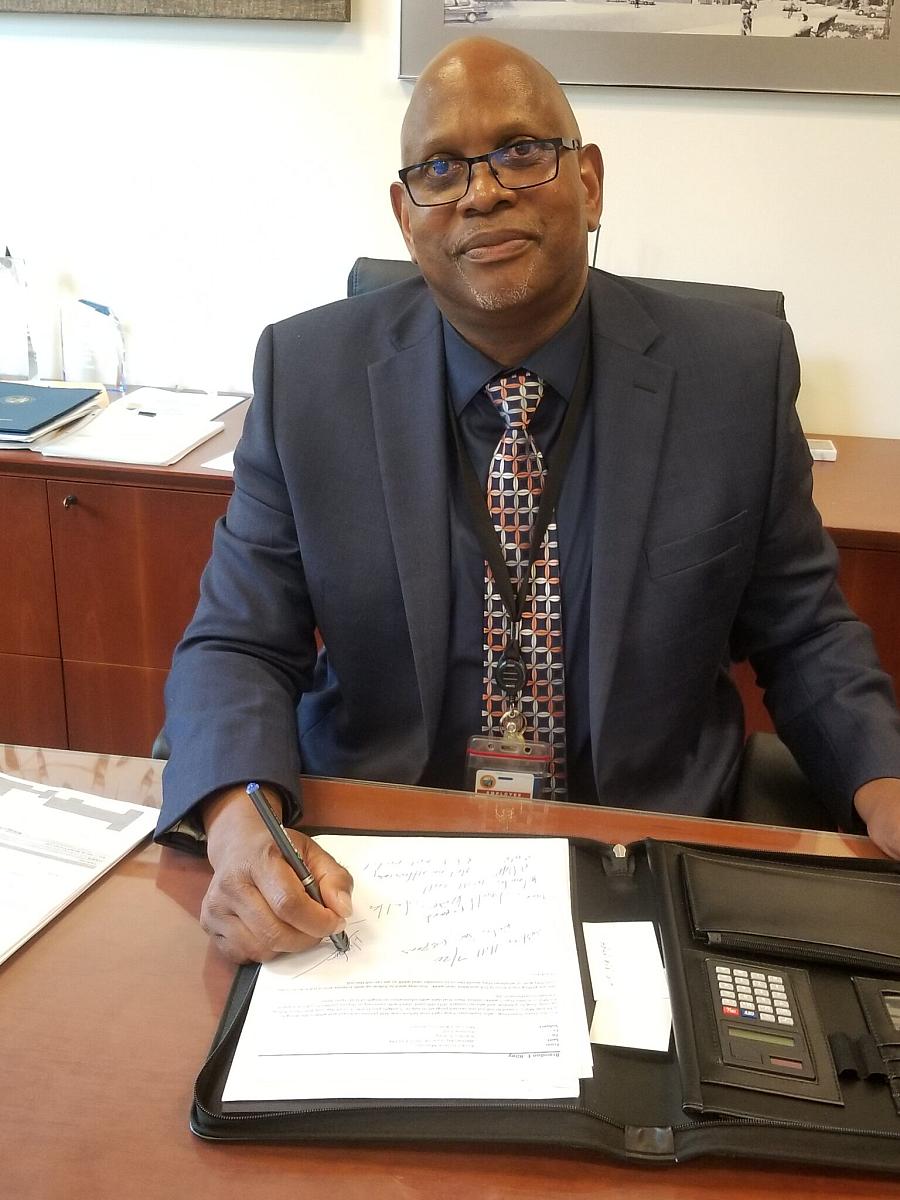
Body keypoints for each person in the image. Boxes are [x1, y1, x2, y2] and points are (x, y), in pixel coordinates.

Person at [155, 37, 900, 963]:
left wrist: (884, 783)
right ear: (405, 212)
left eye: (519, 150)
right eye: (440, 168)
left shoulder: (731, 377)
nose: (481, 191)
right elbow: (237, 640)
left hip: (641, 852)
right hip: (374, 863)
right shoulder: (310, 377)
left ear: (588, 182)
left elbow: (804, 633)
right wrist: (237, 820)